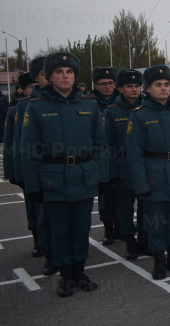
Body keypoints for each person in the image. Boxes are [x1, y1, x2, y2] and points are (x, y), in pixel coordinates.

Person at [21, 51, 108, 297]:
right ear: (49, 76)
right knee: (59, 229)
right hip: (53, 177)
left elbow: (100, 144)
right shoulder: (36, 108)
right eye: (59, 72)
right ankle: (65, 276)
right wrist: (33, 186)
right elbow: (29, 151)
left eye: (69, 72)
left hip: (84, 174)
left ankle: (80, 270)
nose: (65, 76)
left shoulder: (89, 104)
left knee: (81, 227)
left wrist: (102, 177)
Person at [126, 66, 170, 280]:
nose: (164, 89)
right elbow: (134, 154)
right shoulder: (139, 115)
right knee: (156, 222)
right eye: (158, 85)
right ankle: (159, 260)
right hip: (154, 175)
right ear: (147, 89)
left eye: (167, 85)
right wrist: (141, 184)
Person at [14, 57, 57, 276]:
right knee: (43, 217)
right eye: (43, 75)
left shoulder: (71, 102)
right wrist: (19, 174)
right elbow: (19, 144)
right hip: (41, 172)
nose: (50, 78)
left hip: (64, 173)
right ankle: (48, 253)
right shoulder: (27, 106)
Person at [103, 69, 144, 260]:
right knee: (125, 210)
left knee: (147, 208)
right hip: (123, 168)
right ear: (120, 88)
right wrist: (112, 171)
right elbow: (108, 145)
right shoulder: (111, 112)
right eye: (130, 86)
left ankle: (145, 240)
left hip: (145, 167)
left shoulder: (147, 107)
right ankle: (130, 242)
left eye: (137, 86)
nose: (135, 90)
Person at [4, 73, 42, 256]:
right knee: (32, 206)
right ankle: (37, 240)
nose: (34, 90)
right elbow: (12, 145)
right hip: (28, 168)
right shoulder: (17, 110)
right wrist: (14, 172)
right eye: (30, 87)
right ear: (22, 89)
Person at [92, 67, 121, 245]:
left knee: (121, 196)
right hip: (101, 156)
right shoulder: (90, 103)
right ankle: (108, 229)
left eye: (110, 83)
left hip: (120, 154)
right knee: (105, 196)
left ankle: (121, 228)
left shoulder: (121, 100)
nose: (107, 87)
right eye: (103, 84)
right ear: (95, 85)